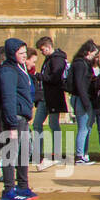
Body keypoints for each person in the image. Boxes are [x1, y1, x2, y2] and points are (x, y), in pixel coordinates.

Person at [0, 38, 37, 200]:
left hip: (20, 116)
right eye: (21, 53)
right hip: (12, 118)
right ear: (12, 53)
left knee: (23, 153)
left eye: (25, 53)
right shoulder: (8, 71)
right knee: (11, 154)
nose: (24, 56)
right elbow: (8, 98)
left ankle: (22, 186)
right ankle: (9, 190)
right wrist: (11, 125)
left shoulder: (18, 68)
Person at [33, 37, 67, 168]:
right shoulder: (49, 59)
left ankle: (57, 154)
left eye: (42, 50)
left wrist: (39, 76)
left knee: (53, 125)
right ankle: (37, 154)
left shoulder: (57, 59)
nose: (42, 52)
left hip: (53, 96)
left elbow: (55, 78)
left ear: (48, 47)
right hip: (45, 96)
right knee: (37, 124)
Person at [65, 41, 100, 165]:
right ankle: (80, 156)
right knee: (83, 128)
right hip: (81, 98)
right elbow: (80, 84)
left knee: (87, 128)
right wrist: (85, 102)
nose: (94, 56)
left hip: (83, 98)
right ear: (88, 52)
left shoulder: (82, 63)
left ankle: (83, 154)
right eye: (93, 53)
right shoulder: (80, 64)